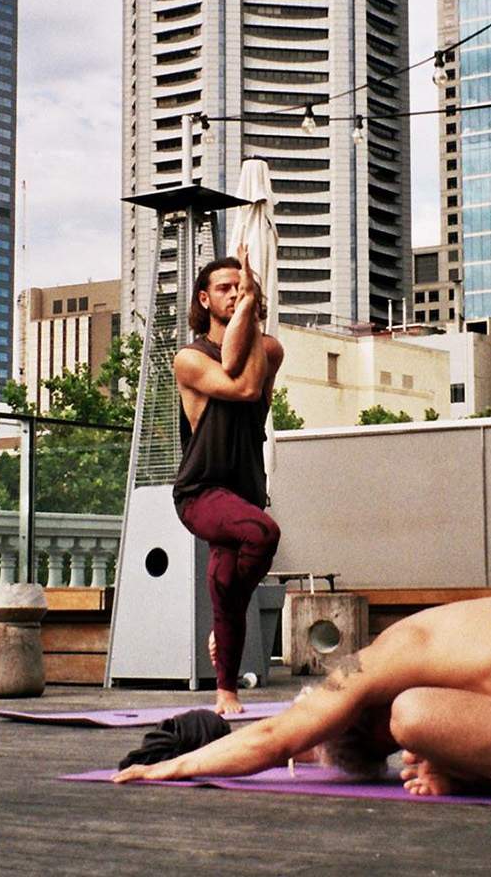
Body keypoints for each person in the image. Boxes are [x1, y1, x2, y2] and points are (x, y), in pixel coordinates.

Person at [112, 596, 491, 801]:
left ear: (356, 718)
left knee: (415, 713)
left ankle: (466, 777)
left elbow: (278, 737)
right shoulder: (421, 639)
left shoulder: (377, 667)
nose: (399, 755)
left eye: (382, 750)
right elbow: (310, 745)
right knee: (421, 720)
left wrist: (173, 767)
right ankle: (467, 774)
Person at [173, 254, 285, 715]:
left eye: (242, 287)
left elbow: (250, 363)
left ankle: (226, 694)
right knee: (262, 533)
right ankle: (226, 621)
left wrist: (249, 314)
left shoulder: (271, 350)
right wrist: (248, 310)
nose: (234, 293)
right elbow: (240, 387)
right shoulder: (190, 359)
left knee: (224, 583)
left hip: (244, 491)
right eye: (224, 288)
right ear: (205, 298)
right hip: (201, 491)